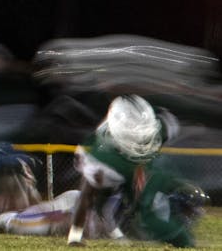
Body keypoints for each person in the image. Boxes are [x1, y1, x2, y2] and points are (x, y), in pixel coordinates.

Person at [61, 94, 203, 248]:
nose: (139, 137)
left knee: (149, 196)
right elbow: (87, 197)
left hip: (133, 165)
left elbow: (164, 121)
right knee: (93, 195)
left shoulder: (159, 128)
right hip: (114, 165)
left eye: (143, 133)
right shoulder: (100, 156)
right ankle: (77, 235)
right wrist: (74, 237)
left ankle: (144, 223)